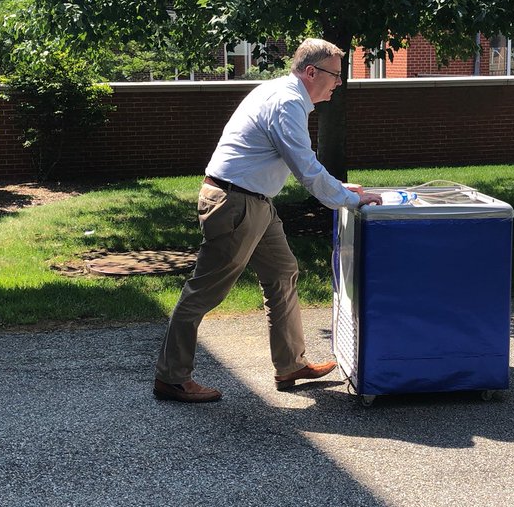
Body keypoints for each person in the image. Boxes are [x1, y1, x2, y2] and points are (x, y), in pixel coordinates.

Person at [154, 38, 383, 402]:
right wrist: (348, 199)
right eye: (335, 76)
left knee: (282, 273)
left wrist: (339, 187)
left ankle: (291, 364)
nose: (339, 83)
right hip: (235, 203)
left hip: (254, 202)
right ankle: (172, 378)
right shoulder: (287, 101)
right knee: (203, 291)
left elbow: (297, 162)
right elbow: (305, 166)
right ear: (312, 72)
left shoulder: (284, 94)